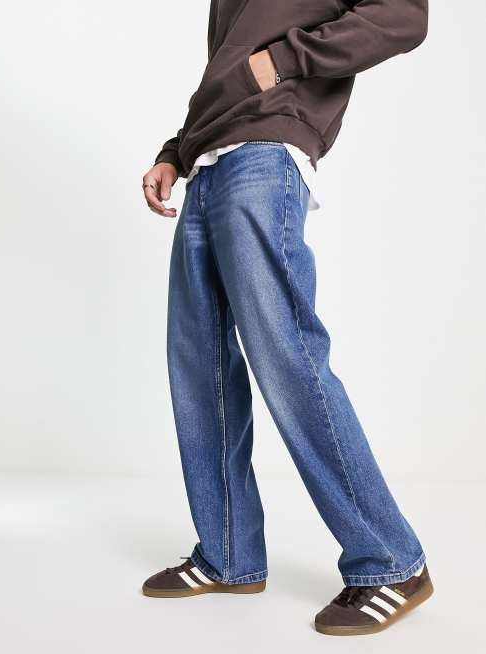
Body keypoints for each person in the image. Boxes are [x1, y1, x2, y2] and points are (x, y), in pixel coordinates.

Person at [141, 0, 432, 636]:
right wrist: (176, 152)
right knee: (198, 367)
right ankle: (228, 554)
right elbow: (223, 76)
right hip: (207, 168)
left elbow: (405, 16)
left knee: (287, 357)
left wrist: (282, 60)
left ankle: (390, 562)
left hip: (264, 156)